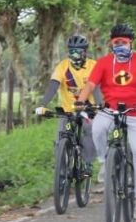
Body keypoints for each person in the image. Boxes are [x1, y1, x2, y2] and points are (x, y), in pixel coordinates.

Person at [76, 24, 136, 221]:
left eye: (124, 42)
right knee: (97, 129)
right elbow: (90, 85)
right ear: (111, 43)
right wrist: (80, 101)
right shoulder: (104, 62)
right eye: (116, 42)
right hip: (110, 110)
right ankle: (104, 161)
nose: (120, 45)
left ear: (131, 43)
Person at [34, 35, 101, 177]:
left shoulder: (93, 65)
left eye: (78, 51)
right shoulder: (63, 66)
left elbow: (96, 88)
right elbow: (53, 86)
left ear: (85, 52)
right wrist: (42, 105)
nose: (75, 55)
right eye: (72, 51)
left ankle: (87, 163)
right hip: (67, 110)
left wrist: (99, 106)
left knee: (90, 130)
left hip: (87, 109)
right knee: (60, 139)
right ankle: (62, 173)